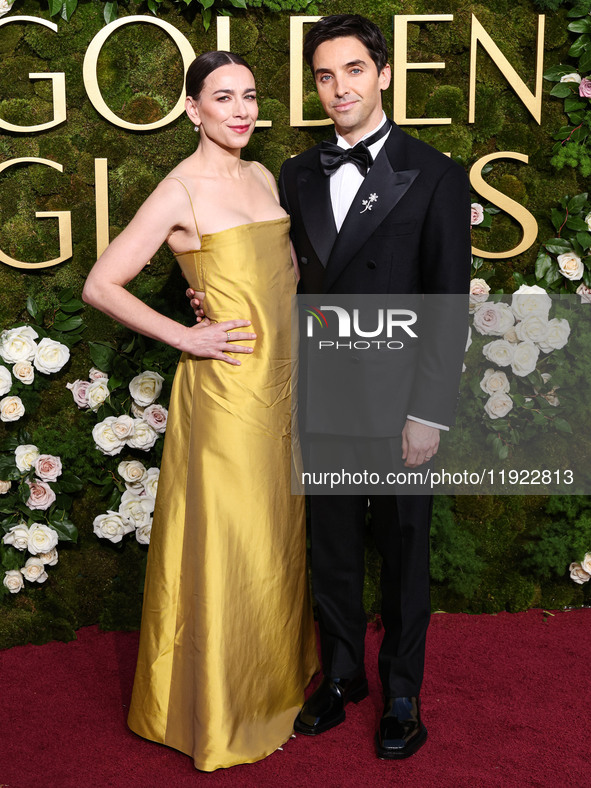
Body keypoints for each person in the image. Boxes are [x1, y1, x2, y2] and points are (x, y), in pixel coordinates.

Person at [82, 51, 318, 772]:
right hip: (223, 398)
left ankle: (273, 677)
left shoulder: (260, 175)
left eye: (249, 96)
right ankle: (221, 707)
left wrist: (208, 285)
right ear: (193, 109)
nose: (241, 110)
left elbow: (270, 275)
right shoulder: (178, 190)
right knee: (232, 544)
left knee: (277, 539)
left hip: (284, 387)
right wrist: (186, 332)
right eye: (223, 97)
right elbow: (101, 284)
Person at [277, 14, 471, 759]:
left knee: (401, 551)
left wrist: (429, 412)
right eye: (325, 75)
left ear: (384, 74)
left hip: (399, 408)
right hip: (322, 397)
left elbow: (446, 305)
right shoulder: (297, 173)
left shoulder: (434, 174)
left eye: (353, 70)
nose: (338, 89)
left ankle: (400, 692)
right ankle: (342, 677)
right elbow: (280, 280)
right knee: (329, 550)